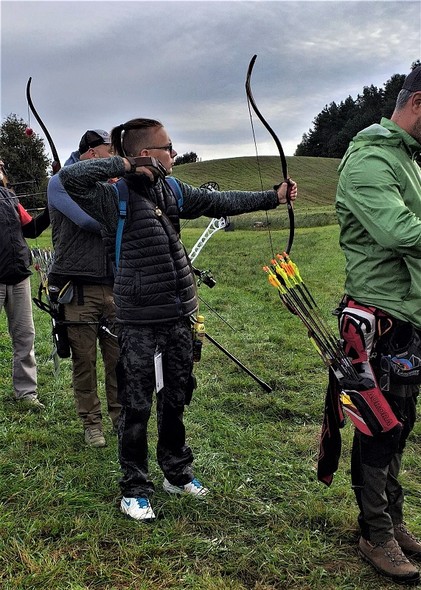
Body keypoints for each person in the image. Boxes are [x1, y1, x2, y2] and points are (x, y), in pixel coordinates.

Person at [58, 117, 297, 522]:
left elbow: (218, 203)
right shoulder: (111, 196)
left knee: (176, 396)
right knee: (136, 404)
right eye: (168, 147)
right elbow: (70, 178)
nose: (174, 153)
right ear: (149, 153)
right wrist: (127, 165)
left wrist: (271, 197)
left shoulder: (169, 189)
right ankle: (134, 486)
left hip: (178, 312)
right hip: (136, 318)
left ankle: (176, 472)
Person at [335, 66, 421, 585]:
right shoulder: (370, 158)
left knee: (402, 422)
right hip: (379, 321)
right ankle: (375, 533)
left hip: (408, 314)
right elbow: (396, 230)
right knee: (379, 425)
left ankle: (393, 519)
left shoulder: (408, 159)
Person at [48, 130, 121, 448]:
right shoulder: (62, 182)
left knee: (118, 359)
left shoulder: (107, 185)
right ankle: (92, 423)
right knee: (84, 360)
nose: (114, 160)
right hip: (77, 286)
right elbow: (93, 221)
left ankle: (121, 419)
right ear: (92, 154)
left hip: (114, 286)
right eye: (109, 153)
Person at [0, 159, 50, 410]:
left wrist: (51, 209)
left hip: (19, 274)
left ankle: (26, 392)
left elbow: (30, 230)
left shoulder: (10, 197)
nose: (0, 168)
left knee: (25, 336)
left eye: (1, 166)